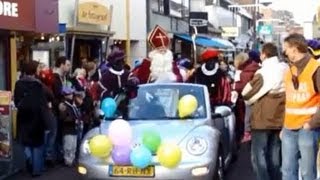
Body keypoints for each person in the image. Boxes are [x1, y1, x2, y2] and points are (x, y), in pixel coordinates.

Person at [242, 43, 287, 180]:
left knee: (259, 155)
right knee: (275, 155)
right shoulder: (285, 68)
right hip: (280, 118)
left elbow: (247, 94)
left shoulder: (263, 72)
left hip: (262, 120)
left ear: (264, 54)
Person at [281, 33, 320, 180]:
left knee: (307, 173)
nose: (284, 52)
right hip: (289, 128)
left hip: (308, 127)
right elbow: (287, 101)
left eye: (286, 49)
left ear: (295, 48)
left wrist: (311, 124)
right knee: (287, 171)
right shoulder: (289, 71)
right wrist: (283, 126)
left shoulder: (316, 69)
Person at [14, 60, 48, 177]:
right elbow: (43, 103)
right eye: (38, 68)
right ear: (33, 70)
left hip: (23, 117)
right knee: (37, 145)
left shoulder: (18, 84)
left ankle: (28, 159)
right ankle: (36, 169)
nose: (39, 70)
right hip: (36, 117)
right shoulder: (38, 84)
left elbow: (17, 101)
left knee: (25, 142)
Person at [232, 52, 260, 143]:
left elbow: (240, 87)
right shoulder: (256, 68)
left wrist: (234, 87)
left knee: (246, 120)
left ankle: (246, 134)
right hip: (258, 102)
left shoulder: (244, 73)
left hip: (246, 101)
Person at [58, 86, 83, 166]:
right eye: (70, 93)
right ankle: (68, 161)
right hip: (67, 129)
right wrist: (73, 120)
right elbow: (63, 117)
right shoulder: (63, 105)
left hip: (74, 129)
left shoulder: (72, 105)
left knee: (73, 146)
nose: (72, 95)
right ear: (65, 95)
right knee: (68, 146)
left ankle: (72, 160)